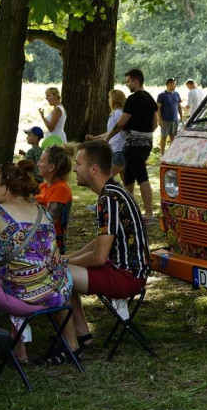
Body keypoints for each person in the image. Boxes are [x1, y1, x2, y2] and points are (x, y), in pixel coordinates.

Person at [56, 140, 149, 365]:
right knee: (62, 268)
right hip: (125, 270)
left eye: (78, 164)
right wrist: (69, 258)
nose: (75, 169)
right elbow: (100, 241)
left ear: (93, 168)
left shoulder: (109, 198)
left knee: (56, 276)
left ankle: (71, 346)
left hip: (126, 276)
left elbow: (99, 257)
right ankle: (82, 334)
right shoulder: (113, 192)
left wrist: (67, 264)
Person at [0, 160, 71, 364]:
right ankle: (18, 346)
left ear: (3, 188)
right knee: (16, 277)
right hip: (59, 293)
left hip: (26, 299)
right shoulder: (42, 211)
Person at [95, 68, 158, 223]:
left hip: (134, 144)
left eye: (129, 81)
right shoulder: (150, 99)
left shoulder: (132, 99)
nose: (127, 84)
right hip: (145, 143)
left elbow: (121, 123)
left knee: (141, 176)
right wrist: (144, 134)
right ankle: (128, 210)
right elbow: (155, 124)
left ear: (136, 80)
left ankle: (149, 214)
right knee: (128, 177)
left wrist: (107, 138)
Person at [34, 144, 74, 241]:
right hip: (34, 236)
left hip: (47, 244)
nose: (38, 164)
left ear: (51, 167)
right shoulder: (43, 186)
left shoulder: (60, 189)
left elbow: (48, 224)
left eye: (41, 161)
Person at [156, 78, 183, 152]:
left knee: (173, 137)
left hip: (175, 120)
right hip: (165, 120)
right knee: (164, 137)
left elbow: (179, 106)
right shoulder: (162, 95)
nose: (175, 85)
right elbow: (158, 108)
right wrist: (159, 119)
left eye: (175, 84)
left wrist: (181, 117)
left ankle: (172, 153)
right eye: (173, 84)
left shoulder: (176, 94)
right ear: (168, 84)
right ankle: (162, 154)